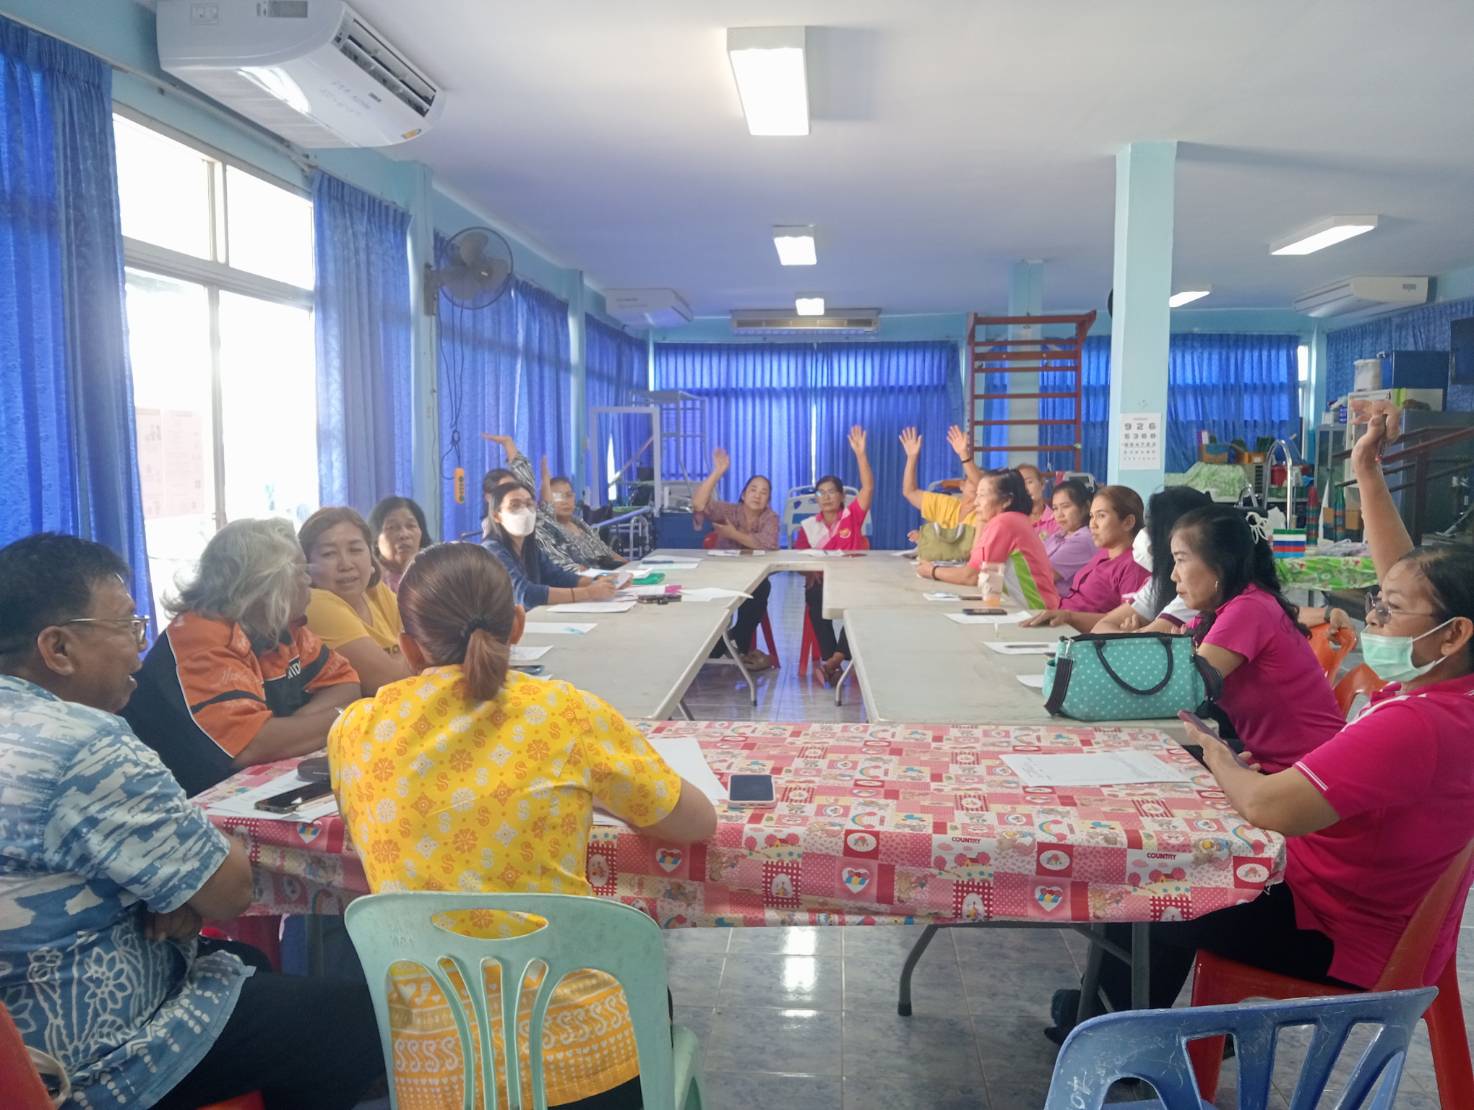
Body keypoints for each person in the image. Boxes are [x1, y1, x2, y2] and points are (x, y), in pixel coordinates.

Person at [1047, 403, 1474, 1032]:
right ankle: (1119, 1014)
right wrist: (1366, 469)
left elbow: (1270, 808)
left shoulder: (1418, 723)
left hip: (1333, 927)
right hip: (1340, 888)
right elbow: (1406, 579)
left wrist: (1221, 757)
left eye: (1387, 612)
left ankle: (1118, 1034)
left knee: (1158, 883)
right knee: (1171, 854)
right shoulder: (1444, 689)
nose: (1372, 620)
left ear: (1450, 635)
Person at [0, 533, 383, 1109]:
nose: (140, 648)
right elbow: (229, 891)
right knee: (363, 1021)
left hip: (23, 1029)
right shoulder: (85, 743)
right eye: (127, 628)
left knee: (249, 965)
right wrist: (180, 889)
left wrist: (173, 890)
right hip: (87, 1054)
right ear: (58, 648)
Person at [328, 543, 717, 1110]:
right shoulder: (565, 714)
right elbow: (695, 822)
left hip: (438, 1073)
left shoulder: (356, 732)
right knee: (652, 993)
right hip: (583, 1065)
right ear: (516, 623)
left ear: (408, 648)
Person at [122, 518, 360, 795]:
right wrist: (344, 719)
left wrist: (292, 729)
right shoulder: (200, 637)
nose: (308, 580)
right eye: (299, 571)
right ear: (265, 582)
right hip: (187, 801)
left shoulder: (280, 625)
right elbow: (250, 746)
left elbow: (346, 682)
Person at [1168, 503, 1346, 772]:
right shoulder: (1219, 613)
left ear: (1220, 565)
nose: (1173, 574)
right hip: (1271, 761)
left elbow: (1182, 689)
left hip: (1306, 771)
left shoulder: (1248, 609)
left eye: (1181, 560)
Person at [300, 506, 411, 696]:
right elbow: (390, 683)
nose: (346, 564)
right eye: (329, 554)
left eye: (355, 549)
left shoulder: (375, 591)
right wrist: (409, 656)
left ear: (371, 555)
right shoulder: (314, 604)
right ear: (306, 565)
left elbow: (431, 647)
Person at [794, 425, 875, 683]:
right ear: (816, 498)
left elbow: (868, 488)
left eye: (832, 492)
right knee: (815, 595)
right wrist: (810, 572)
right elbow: (799, 560)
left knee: (861, 606)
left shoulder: (852, 517)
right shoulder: (808, 526)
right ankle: (833, 660)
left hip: (852, 582)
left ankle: (832, 662)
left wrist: (861, 455)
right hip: (823, 582)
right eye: (821, 493)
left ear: (841, 497)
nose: (826, 497)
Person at [917, 468, 1062, 609]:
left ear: (1006, 500)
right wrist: (981, 520)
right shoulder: (1013, 519)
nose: (975, 502)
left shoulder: (1005, 523)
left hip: (1037, 611)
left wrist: (932, 571)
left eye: (982, 496)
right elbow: (980, 566)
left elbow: (971, 576)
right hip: (1034, 608)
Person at [692, 446, 781, 671]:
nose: (758, 495)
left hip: (754, 576)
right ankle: (727, 645)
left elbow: (768, 543)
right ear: (743, 494)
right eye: (753, 490)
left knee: (762, 588)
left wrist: (733, 534)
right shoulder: (729, 511)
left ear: (768, 499)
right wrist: (718, 471)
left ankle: (730, 642)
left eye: (764, 492)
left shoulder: (771, 517)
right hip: (723, 573)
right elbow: (699, 504)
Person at [1024, 485, 1148, 633]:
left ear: (1128, 522)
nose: (1092, 524)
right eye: (1091, 516)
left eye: (1101, 516)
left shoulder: (1134, 566)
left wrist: (1070, 617)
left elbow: (1121, 621)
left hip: (1081, 637)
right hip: (1059, 623)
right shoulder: (1104, 552)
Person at [482, 480, 618, 610]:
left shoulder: (530, 547)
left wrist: (600, 581)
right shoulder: (492, 550)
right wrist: (588, 592)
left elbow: (556, 576)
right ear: (496, 516)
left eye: (529, 504)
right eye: (515, 505)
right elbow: (525, 594)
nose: (525, 511)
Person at [1094, 486, 1212, 633]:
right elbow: (1100, 627)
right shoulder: (1160, 582)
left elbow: (1149, 644)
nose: (1144, 535)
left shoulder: (1197, 587)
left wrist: (1128, 637)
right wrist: (1129, 637)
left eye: (1152, 528)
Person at [899, 426, 978, 562]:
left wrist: (963, 453)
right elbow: (910, 492)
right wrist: (912, 458)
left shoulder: (984, 514)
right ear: (962, 486)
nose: (977, 486)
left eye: (980, 481)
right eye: (970, 480)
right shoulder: (948, 504)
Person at [541, 459, 629, 569]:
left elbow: (607, 552)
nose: (565, 501)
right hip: (582, 581)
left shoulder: (581, 524)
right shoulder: (548, 532)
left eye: (568, 495)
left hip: (609, 575)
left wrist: (630, 566)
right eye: (557, 497)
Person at [1039, 478, 1097, 590]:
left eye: (1066, 506)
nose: (1059, 514)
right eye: (1055, 508)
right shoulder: (1059, 535)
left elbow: (1045, 578)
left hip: (1061, 604)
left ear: (1086, 507)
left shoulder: (1084, 540)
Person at [368, 494, 429, 593]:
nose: (404, 534)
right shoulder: (368, 581)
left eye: (411, 525)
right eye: (392, 527)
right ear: (375, 539)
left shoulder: (436, 574)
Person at [1018, 463, 1056, 536]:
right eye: (1020, 484)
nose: (1025, 488)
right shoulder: (1012, 520)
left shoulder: (1056, 519)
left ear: (1042, 484)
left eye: (1029, 482)